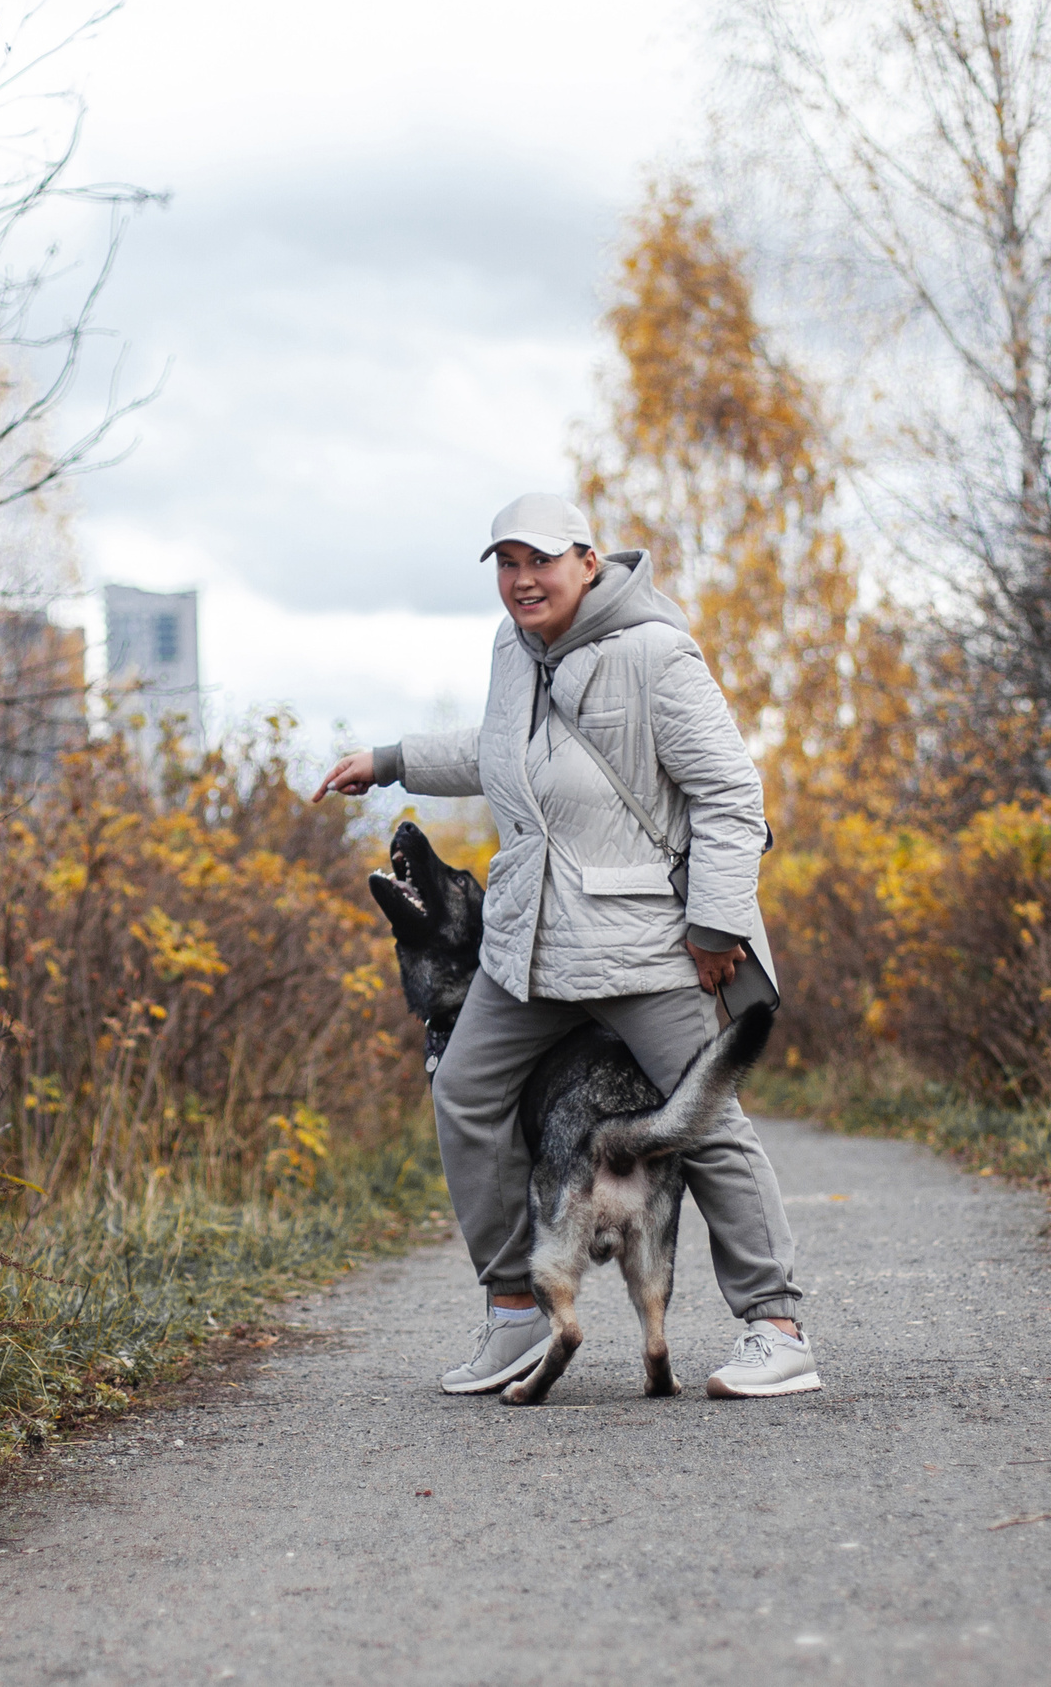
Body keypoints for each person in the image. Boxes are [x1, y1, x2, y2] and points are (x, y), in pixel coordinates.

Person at [313, 492, 820, 1400]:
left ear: (588, 561)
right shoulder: (514, 650)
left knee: (703, 1122)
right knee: (465, 1091)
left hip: (643, 947)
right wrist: (389, 759)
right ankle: (515, 1309)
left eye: (537, 561)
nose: (520, 580)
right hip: (531, 945)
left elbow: (732, 795)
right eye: (505, 564)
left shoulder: (658, 654)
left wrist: (714, 925)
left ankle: (775, 1327)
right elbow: (498, 750)